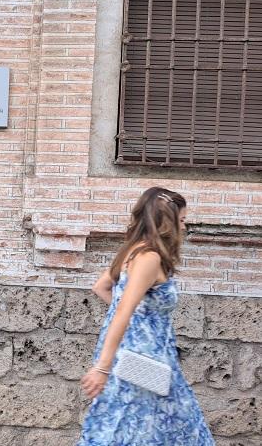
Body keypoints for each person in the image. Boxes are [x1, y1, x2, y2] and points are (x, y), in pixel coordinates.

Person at [77, 187, 214, 445]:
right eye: (182, 221)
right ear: (167, 221)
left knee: (141, 428)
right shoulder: (149, 257)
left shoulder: (132, 250)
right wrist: (102, 368)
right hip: (141, 360)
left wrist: (143, 320)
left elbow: (102, 288)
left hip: (142, 358)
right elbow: (124, 310)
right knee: (164, 429)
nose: (184, 228)